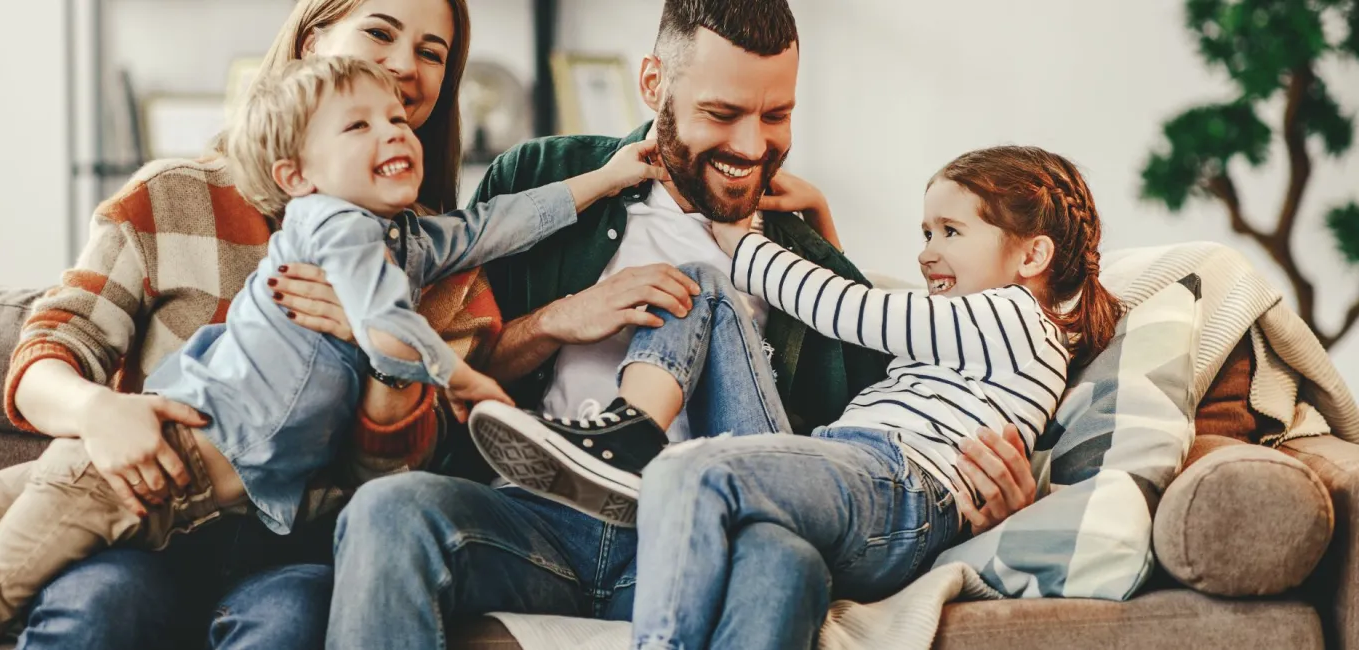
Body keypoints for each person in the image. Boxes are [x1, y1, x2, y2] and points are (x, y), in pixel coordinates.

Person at [0, 54, 662, 644]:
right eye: (362, 123)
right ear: (295, 177)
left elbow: (495, 224)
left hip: (185, 505)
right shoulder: (333, 225)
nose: (396, 130)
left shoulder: (408, 242)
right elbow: (388, 325)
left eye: (403, 117)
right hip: (132, 470)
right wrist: (470, 382)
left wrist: (606, 178)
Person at [319, 2, 1046, 647]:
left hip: (706, 539)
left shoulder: (802, 256)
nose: (752, 147)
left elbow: (876, 446)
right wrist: (558, 322)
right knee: (390, 513)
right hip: (539, 521)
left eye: (777, 115)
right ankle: (607, 448)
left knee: (786, 564)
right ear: (652, 84)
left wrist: (987, 499)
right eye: (723, 114)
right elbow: (449, 379)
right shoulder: (546, 176)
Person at [578, 145, 1119, 650]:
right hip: (852, 476)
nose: (926, 253)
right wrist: (818, 213)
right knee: (775, 559)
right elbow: (869, 331)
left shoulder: (1016, 316)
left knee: (688, 471)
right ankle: (631, 428)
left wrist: (739, 237)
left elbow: (850, 310)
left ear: (1034, 255)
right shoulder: (972, 336)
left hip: (900, 483)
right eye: (926, 232)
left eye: (950, 231)